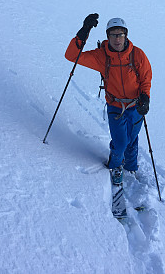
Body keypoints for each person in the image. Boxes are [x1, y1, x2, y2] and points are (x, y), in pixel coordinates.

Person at [65, 14, 152, 185]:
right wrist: (84, 31)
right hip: (115, 106)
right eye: (113, 35)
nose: (117, 39)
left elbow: (145, 78)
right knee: (121, 142)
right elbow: (72, 56)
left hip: (136, 106)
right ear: (107, 37)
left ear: (126, 35)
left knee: (132, 139)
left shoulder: (137, 55)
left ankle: (131, 166)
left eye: (120, 34)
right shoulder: (101, 57)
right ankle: (115, 165)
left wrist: (145, 97)